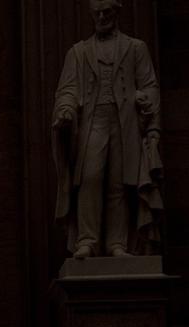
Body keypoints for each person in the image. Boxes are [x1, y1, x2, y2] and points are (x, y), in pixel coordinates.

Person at [52, 0, 163, 259]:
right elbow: (67, 89)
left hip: (125, 122)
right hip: (93, 121)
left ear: (116, 13)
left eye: (107, 12)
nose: (102, 17)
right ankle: (87, 240)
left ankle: (117, 244)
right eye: (97, 13)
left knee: (119, 183)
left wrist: (146, 105)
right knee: (90, 178)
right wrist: (65, 110)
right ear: (92, 15)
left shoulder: (136, 48)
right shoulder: (78, 53)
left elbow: (150, 85)